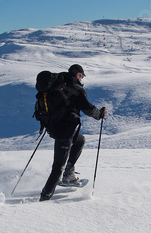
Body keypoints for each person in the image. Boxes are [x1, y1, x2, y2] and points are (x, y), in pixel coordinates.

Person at [39, 64, 107, 201]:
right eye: (81, 76)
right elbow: (87, 108)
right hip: (64, 131)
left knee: (80, 140)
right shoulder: (75, 89)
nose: (82, 79)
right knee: (58, 166)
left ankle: (69, 173)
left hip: (54, 127)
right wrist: (100, 114)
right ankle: (45, 196)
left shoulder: (59, 85)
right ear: (77, 74)